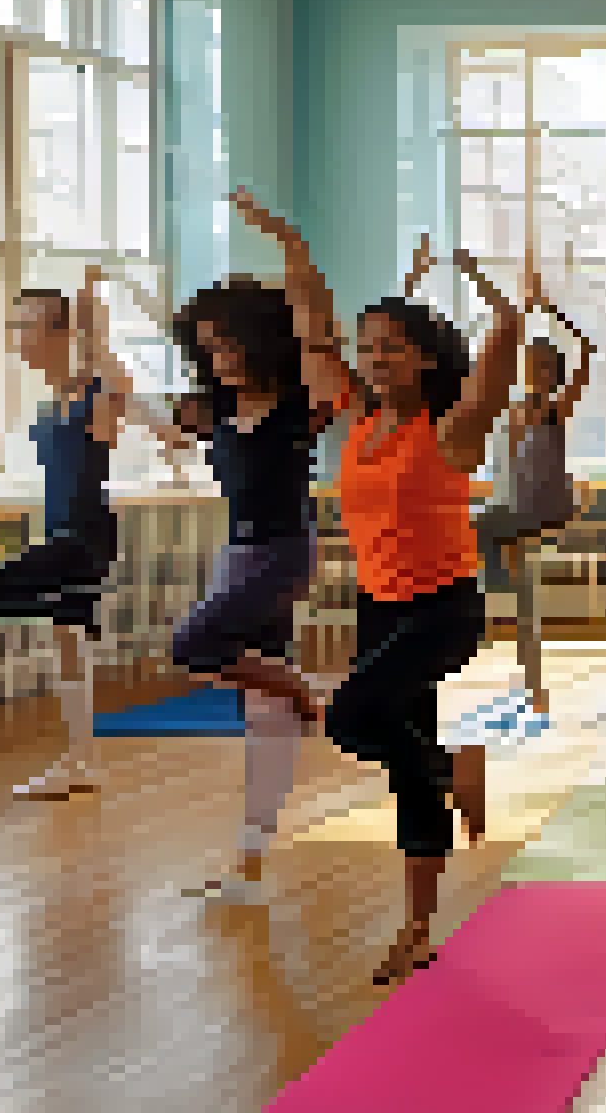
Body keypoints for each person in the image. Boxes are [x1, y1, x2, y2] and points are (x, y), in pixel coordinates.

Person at [293, 211, 522, 984]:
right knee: (400, 768)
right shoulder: (356, 422)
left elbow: (495, 375)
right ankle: (418, 928)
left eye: (390, 347)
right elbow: (310, 331)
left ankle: (456, 768)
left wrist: (505, 312)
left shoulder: (451, 429)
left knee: (353, 715)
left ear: (424, 359)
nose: (373, 358)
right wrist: (295, 248)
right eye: (367, 349)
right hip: (378, 606)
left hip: (444, 609)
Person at [160, 219, 349, 902]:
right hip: (235, 559)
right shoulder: (211, 411)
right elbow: (151, 411)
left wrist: (294, 246)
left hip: (280, 555)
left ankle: (308, 688)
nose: (223, 358)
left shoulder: (299, 408)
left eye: (232, 342)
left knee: (192, 644)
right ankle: (249, 866)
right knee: (261, 719)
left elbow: (317, 330)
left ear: (262, 338)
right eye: (209, 348)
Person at [0, 269, 163, 799]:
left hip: (82, 536)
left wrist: (94, 320)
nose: (18, 336)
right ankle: (81, 760)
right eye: (16, 323)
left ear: (57, 332)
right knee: (67, 641)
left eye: (27, 324)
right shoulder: (56, 398)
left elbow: (132, 398)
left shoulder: (95, 393)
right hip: (66, 531)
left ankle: (79, 759)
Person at [461, 258, 591, 831]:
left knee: (485, 531)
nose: (534, 371)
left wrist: (549, 308)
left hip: (541, 507)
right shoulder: (512, 409)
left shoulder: (554, 408)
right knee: (477, 527)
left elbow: (586, 352)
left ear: (553, 373)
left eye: (543, 366)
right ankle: (515, 644)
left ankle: (488, 606)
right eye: (529, 364)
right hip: (509, 507)